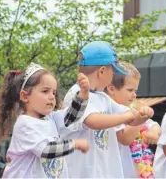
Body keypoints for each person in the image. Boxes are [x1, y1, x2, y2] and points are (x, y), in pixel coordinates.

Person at [61, 41, 153, 178]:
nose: (113, 76)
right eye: (113, 71)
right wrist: (126, 117)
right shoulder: (77, 94)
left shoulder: (103, 98)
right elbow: (92, 121)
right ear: (102, 71)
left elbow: (129, 117)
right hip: (81, 173)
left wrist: (142, 115)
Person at [0, 62, 90, 178]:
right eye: (45, 91)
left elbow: (70, 117)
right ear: (25, 96)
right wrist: (74, 144)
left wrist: (83, 94)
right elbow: (46, 150)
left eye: (54, 92)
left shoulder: (50, 117)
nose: (52, 96)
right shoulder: (25, 124)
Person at [105, 61, 161, 178]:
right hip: (116, 172)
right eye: (130, 90)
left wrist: (154, 132)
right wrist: (139, 119)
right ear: (111, 89)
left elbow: (154, 124)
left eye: (135, 90)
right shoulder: (109, 112)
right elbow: (126, 138)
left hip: (137, 172)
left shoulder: (133, 108)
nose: (134, 95)